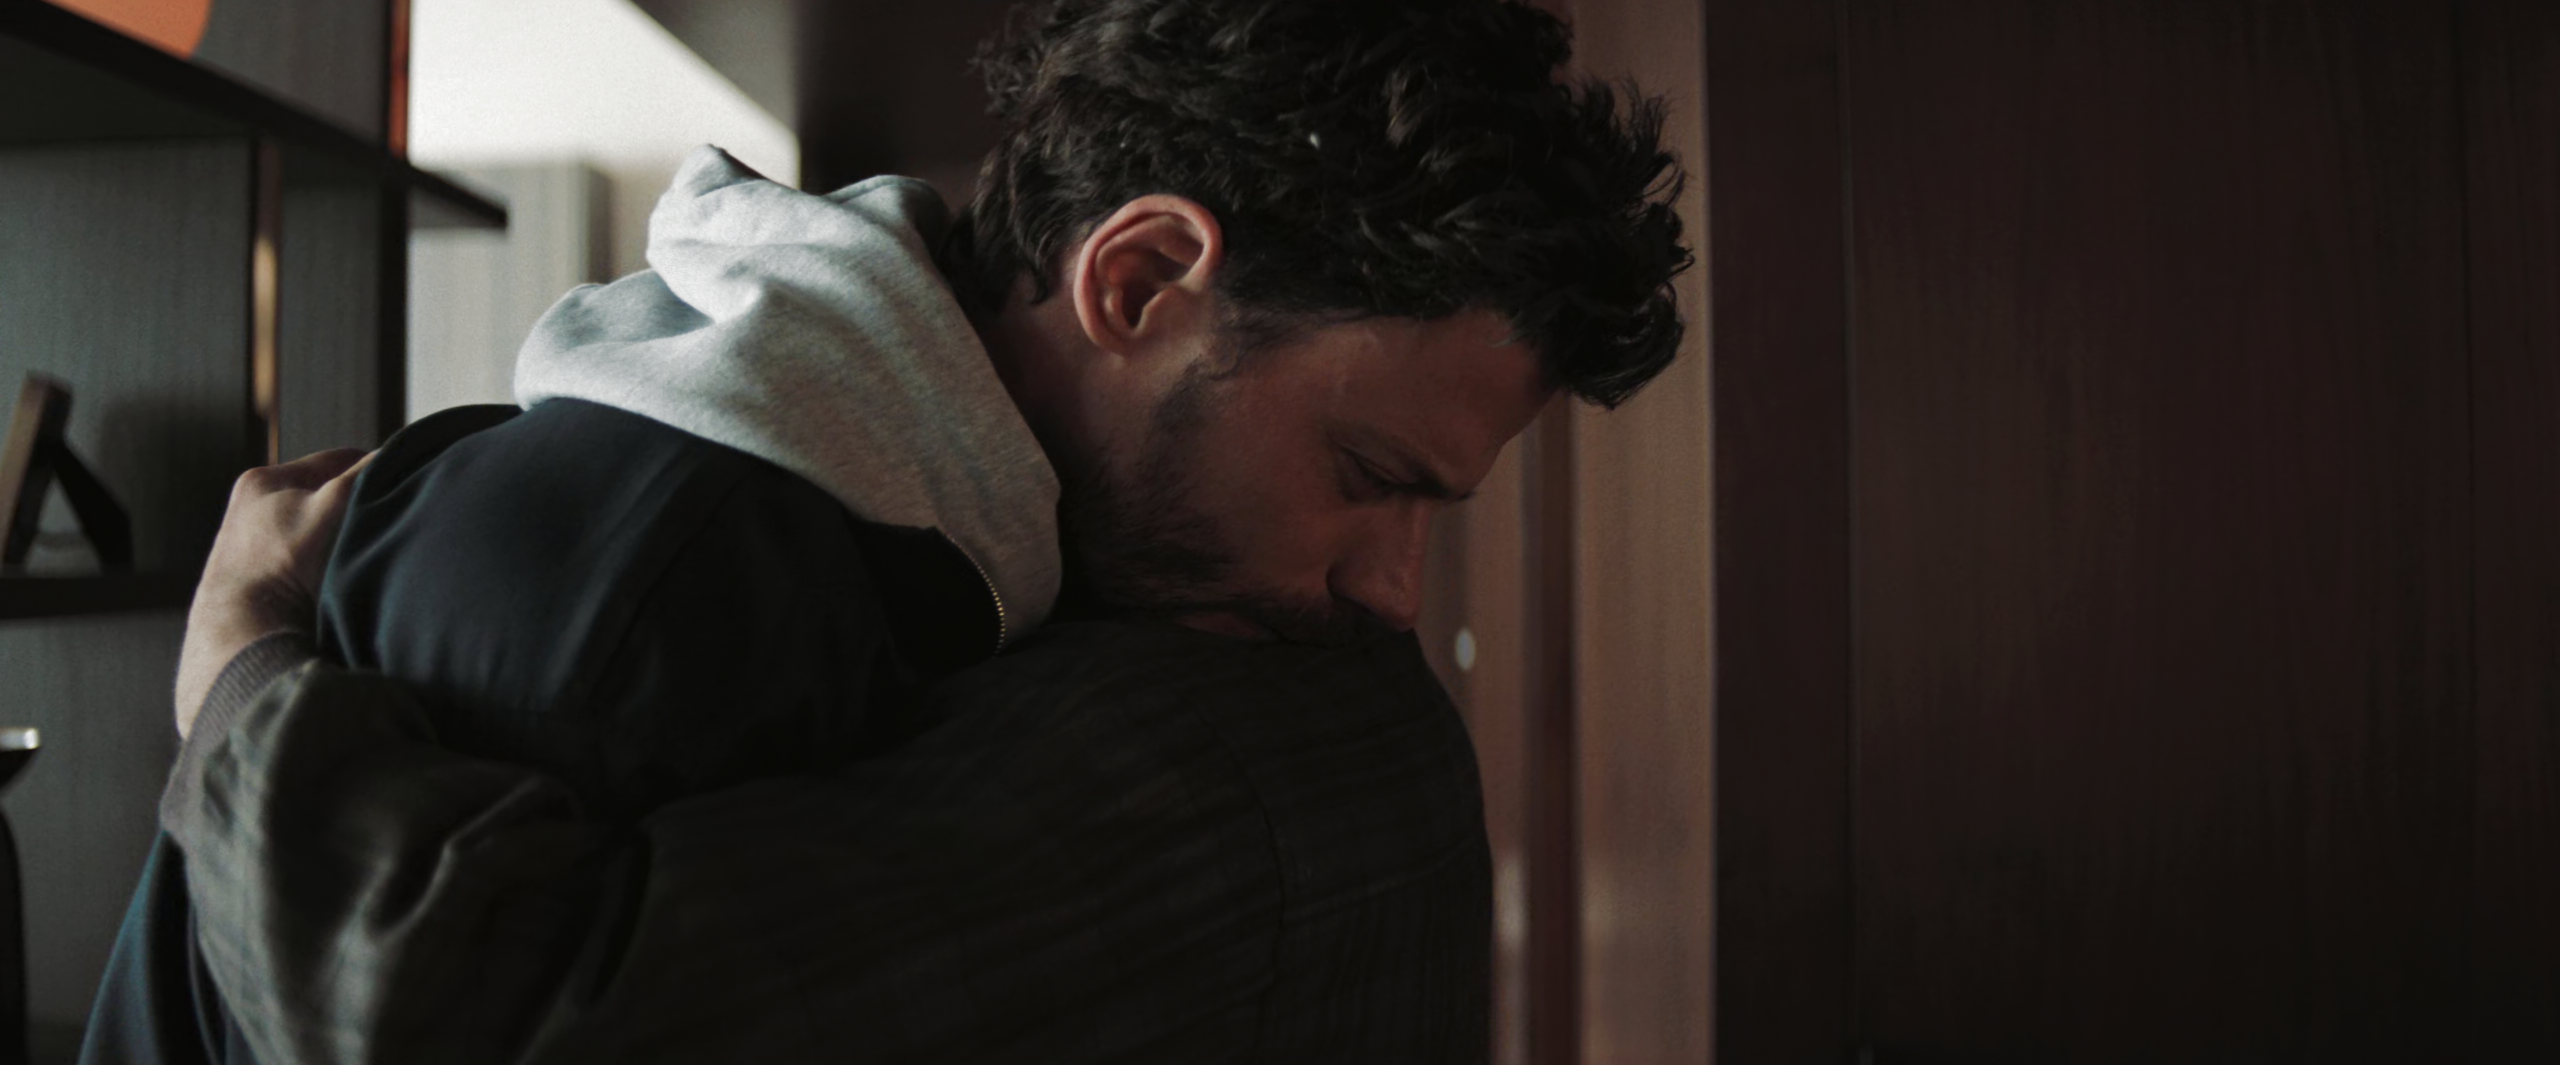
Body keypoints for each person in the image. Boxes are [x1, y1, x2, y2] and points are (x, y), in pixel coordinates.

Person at [79, 0, 1691, 1061]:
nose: (1394, 592)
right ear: (1138, 283)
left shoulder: (935, 522)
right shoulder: (681, 560)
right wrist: (238, 674)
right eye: (1368, 472)